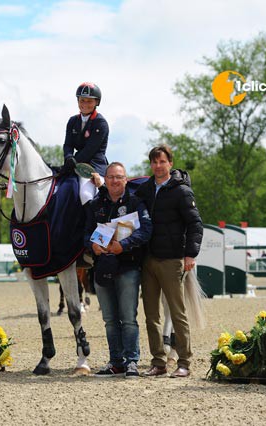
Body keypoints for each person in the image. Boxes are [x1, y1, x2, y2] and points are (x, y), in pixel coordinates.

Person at [135, 144, 203, 378]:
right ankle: (158, 362)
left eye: (162, 161)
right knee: (151, 315)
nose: (158, 165)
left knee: (177, 313)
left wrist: (190, 254)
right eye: (154, 162)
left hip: (173, 259)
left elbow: (195, 224)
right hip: (149, 260)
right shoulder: (144, 190)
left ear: (170, 163)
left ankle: (184, 362)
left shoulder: (181, 191)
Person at [84, 162, 152, 378]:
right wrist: (92, 245)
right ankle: (116, 362)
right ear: (105, 179)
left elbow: (146, 231)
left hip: (128, 267)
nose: (115, 181)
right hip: (102, 267)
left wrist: (124, 244)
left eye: (119, 177)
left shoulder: (136, 203)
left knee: (128, 318)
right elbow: (84, 234)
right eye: (111, 177)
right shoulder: (95, 205)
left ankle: (132, 361)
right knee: (110, 320)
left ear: (125, 180)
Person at [63, 82, 108, 204]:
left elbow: (90, 150)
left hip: (94, 166)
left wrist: (73, 162)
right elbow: (68, 145)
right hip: (76, 163)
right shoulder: (72, 121)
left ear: (96, 103)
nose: (85, 104)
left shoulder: (101, 123)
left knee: (85, 194)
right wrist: (68, 157)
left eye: (89, 101)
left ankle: (90, 222)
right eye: (82, 100)